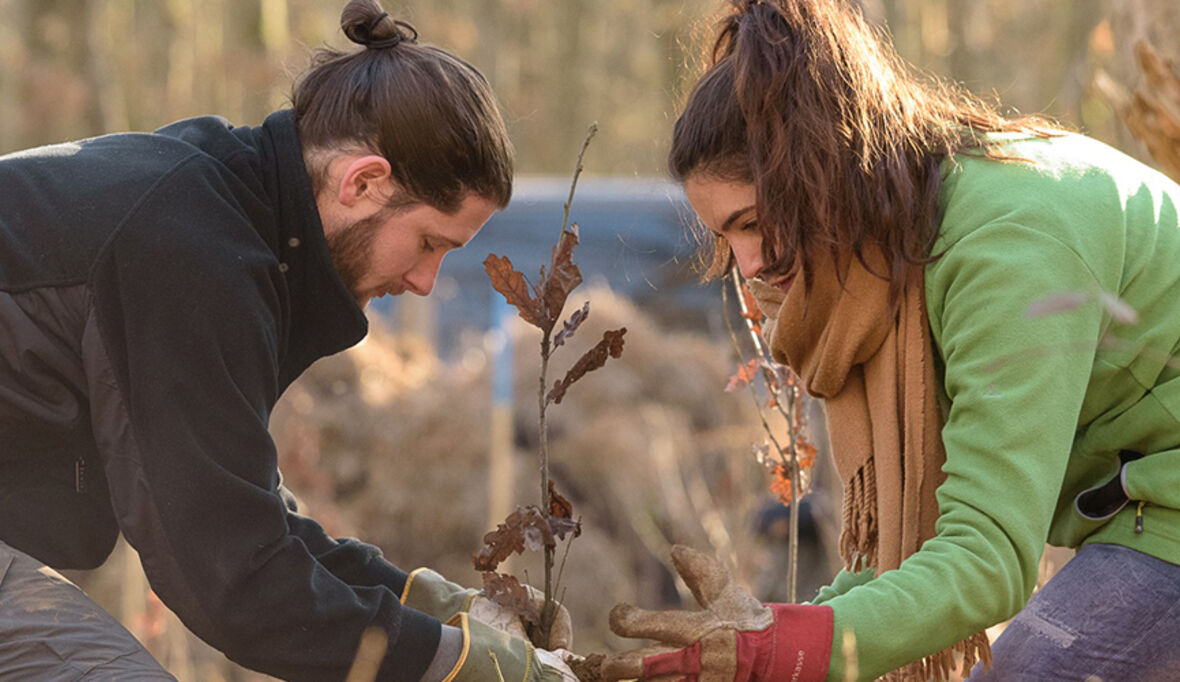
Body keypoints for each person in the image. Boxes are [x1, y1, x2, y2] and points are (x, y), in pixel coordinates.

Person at [600, 1, 1180, 680]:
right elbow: (907, 563)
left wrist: (785, 653)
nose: (747, 265)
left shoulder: (1008, 245)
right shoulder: (902, 239)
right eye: (726, 239)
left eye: (753, 222)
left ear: (820, 171)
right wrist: (768, 633)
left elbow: (984, 560)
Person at [0, 1, 575, 680]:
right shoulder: (184, 251)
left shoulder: (226, 213)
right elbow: (235, 583)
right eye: (428, 244)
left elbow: (241, 517)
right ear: (363, 181)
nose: (426, 281)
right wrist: (462, 669)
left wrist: (445, 613)